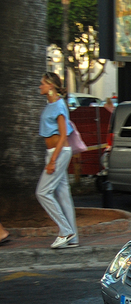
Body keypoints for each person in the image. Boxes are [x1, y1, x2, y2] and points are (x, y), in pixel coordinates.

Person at [37, 72, 79, 249]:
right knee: (63, 195)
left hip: (59, 153)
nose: (40, 86)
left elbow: (63, 136)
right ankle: (73, 238)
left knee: (42, 192)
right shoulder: (51, 104)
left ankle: (65, 230)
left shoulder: (59, 105)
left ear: (51, 86)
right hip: (54, 152)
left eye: (42, 84)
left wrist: (53, 160)